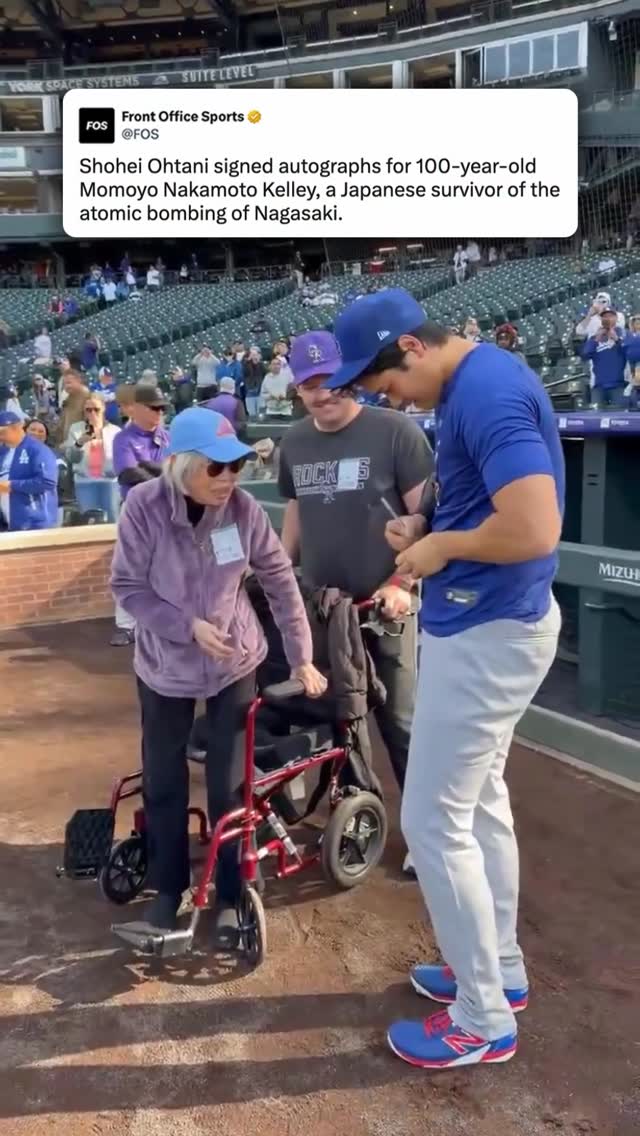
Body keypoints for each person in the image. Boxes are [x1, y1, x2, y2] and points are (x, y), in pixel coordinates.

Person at [326, 288, 563, 1069]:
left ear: (414, 348)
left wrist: (439, 551)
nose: (383, 397)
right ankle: (497, 973)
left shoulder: (487, 390)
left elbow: (533, 527)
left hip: (491, 631)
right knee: (478, 805)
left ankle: (481, 1018)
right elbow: (485, 506)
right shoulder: (473, 382)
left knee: (432, 821)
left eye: (384, 383)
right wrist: (428, 528)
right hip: (488, 624)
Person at [111, 407, 326, 942]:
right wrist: (186, 627)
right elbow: (128, 588)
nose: (229, 478)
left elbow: (280, 581)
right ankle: (167, 888)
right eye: (216, 468)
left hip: (234, 662)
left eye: (236, 466)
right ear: (182, 466)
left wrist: (302, 656)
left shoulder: (245, 510)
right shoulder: (143, 508)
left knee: (229, 786)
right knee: (163, 779)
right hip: (165, 666)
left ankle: (231, 893)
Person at [278, 330, 433, 876]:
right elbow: (295, 512)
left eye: (333, 380)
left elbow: (426, 520)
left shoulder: (397, 432)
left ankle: (426, 835)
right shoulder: (294, 442)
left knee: (402, 720)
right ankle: (359, 818)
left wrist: (402, 584)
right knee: (341, 719)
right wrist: (276, 573)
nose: (324, 393)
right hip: (324, 609)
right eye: (310, 385)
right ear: (296, 390)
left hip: (384, 609)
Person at [111, 385, 169, 646]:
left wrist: (150, 468)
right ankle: (126, 626)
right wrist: (161, 474)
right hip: (135, 510)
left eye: (161, 408)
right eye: (153, 407)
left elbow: (178, 471)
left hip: (167, 509)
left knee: (168, 565)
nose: (158, 412)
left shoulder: (167, 437)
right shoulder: (124, 438)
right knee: (129, 566)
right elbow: (127, 474)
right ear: (137, 408)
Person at [63, 392, 121, 522]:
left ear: (103, 409)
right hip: (85, 482)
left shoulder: (115, 431)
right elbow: (72, 458)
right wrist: (79, 443)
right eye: (88, 410)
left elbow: (120, 459)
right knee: (89, 521)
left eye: (96, 409)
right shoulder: (76, 429)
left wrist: (113, 472)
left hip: (109, 482)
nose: (92, 413)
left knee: (112, 520)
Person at [0, 410, 58, 531]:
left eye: (3, 432)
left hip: (34, 524)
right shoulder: (3, 452)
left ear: (16, 428)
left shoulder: (37, 449)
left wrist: (12, 485)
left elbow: (47, 482)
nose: (1, 437)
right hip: (8, 523)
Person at [581, 307, 627, 408]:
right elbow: (585, 355)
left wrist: (616, 339)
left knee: (619, 419)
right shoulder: (595, 337)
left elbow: (629, 353)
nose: (607, 319)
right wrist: (596, 339)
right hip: (599, 386)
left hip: (618, 386)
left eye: (610, 316)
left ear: (616, 318)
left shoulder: (623, 334)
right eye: (605, 316)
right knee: (595, 419)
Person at [55, 370, 90, 444]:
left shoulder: (87, 397)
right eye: (64, 384)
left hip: (80, 443)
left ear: (78, 381)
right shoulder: (69, 397)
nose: (66, 386)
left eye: (69, 383)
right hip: (67, 443)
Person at [242, 346, 264, 418]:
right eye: (252, 354)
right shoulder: (245, 364)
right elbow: (244, 372)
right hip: (250, 392)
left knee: (260, 413)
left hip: (260, 392)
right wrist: (248, 361)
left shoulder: (261, 365)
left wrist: (258, 363)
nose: (254, 356)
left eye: (256, 354)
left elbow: (264, 373)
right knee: (252, 414)